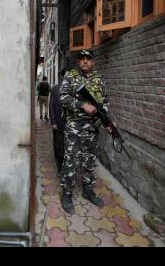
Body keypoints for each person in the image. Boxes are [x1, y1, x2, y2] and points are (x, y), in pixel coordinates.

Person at [58, 49, 112, 214]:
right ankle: (66, 193)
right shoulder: (71, 77)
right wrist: (82, 105)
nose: (85, 61)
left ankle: (88, 190)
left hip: (92, 127)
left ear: (92, 62)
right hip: (74, 125)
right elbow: (62, 97)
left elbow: (104, 102)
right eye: (82, 59)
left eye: (88, 59)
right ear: (78, 62)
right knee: (71, 160)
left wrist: (107, 122)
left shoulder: (99, 80)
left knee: (89, 160)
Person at [49, 69, 66, 173]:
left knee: (67, 144)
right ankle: (59, 164)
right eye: (65, 75)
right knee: (58, 143)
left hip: (69, 122)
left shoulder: (73, 89)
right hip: (58, 121)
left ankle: (66, 164)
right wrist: (53, 122)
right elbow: (51, 106)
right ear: (62, 76)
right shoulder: (55, 89)